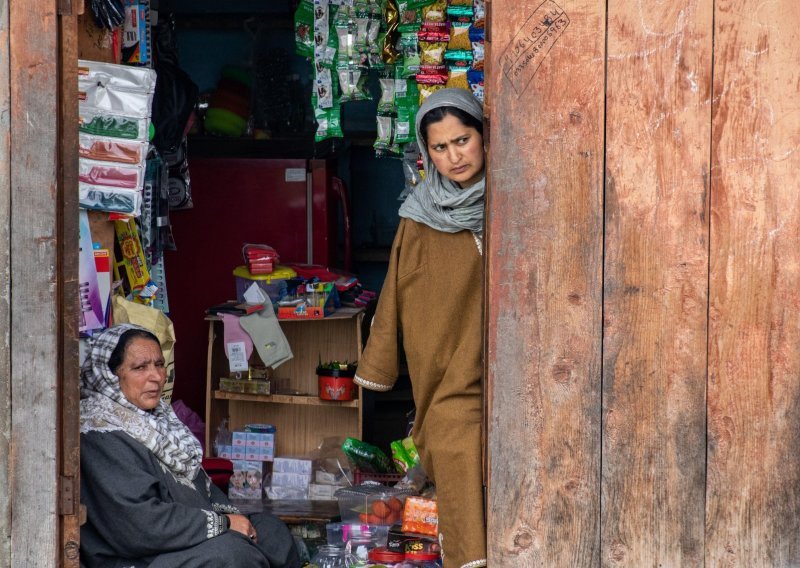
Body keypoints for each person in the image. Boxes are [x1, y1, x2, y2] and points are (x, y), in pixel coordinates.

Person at [354, 88, 487, 568]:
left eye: (463, 140)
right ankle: (472, 556)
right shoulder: (419, 216)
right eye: (440, 147)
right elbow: (393, 293)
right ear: (425, 152)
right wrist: (378, 363)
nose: (454, 156)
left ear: (483, 136)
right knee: (451, 436)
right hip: (452, 369)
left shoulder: (514, 202)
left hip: (521, 364)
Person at [79, 323, 301, 568]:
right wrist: (224, 524)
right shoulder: (101, 433)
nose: (156, 376)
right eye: (140, 367)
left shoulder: (158, 420)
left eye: (159, 364)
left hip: (184, 537)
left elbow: (203, 489)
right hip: (138, 556)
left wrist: (235, 520)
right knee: (233, 556)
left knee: (271, 532)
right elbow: (139, 526)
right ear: (110, 375)